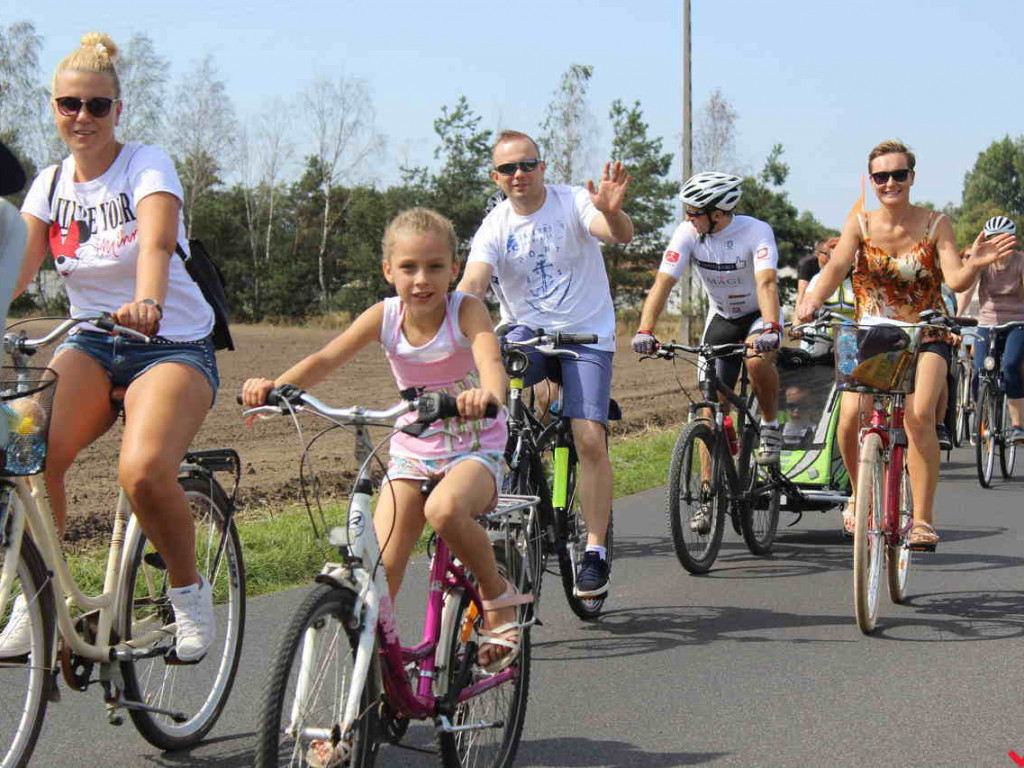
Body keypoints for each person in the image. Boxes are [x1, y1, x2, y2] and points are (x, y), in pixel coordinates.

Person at [4, 33, 224, 661]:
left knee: (142, 472)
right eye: (70, 104)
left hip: (170, 343)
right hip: (92, 344)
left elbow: (154, 244)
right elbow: (15, 271)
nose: (83, 118)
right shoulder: (49, 185)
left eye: (98, 106)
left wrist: (148, 301)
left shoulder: (146, 165)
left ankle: (188, 592)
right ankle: (36, 594)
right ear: (53, 108)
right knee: (29, 450)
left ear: (117, 111)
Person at [243, 207, 529, 672]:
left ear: (454, 269)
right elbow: (325, 358)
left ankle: (498, 597)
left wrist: (489, 395)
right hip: (413, 450)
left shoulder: (466, 310)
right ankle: (366, 710)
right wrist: (276, 388)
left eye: (435, 266)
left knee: (444, 510)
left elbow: (489, 359)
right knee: (378, 576)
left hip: (474, 448)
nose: (422, 279)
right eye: (409, 268)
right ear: (388, 270)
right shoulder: (384, 316)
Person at [797, 140, 1016, 547]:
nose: (890, 182)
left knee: (917, 418)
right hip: (871, 333)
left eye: (899, 174)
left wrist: (976, 263)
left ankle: (922, 520)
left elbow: (954, 280)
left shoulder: (936, 223)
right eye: (882, 176)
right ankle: (858, 498)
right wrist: (811, 298)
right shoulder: (860, 225)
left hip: (926, 331)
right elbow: (836, 269)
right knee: (848, 421)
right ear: (872, 181)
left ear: (912, 178)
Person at [458, 129, 632, 600]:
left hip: (586, 337)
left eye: (527, 164)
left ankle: (594, 550)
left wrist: (612, 212)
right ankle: (505, 478)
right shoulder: (495, 225)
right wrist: (450, 311)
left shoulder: (572, 201)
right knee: (498, 405)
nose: (519, 174)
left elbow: (614, 233)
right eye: (508, 168)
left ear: (542, 167)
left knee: (589, 436)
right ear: (496, 177)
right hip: (527, 334)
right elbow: (474, 281)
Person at [632, 171, 785, 465]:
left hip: (758, 316)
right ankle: (707, 500)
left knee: (755, 359)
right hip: (722, 317)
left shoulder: (756, 231)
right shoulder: (687, 233)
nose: (688, 217)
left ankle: (769, 426)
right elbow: (663, 283)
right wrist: (645, 330)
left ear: (717, 213)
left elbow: (766, 283)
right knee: (709, 411)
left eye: (694, 212)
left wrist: (772, 328)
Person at [957, 215, 1024, 443]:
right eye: (993, 239)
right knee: (979, 370)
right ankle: (983, 416)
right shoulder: (983, 264)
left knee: (1011, 366)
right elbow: (966, 290)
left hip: (1016, 322)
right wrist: (957, 316)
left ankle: (1017, 425)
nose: (999, 244)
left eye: (1003, 239)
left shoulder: (1020, 261)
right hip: (986, 322)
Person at [795, 239, 830, 309]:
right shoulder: (807, 264)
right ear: (817, 254)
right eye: (828, 255)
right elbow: (802, 293)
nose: (831, 258)